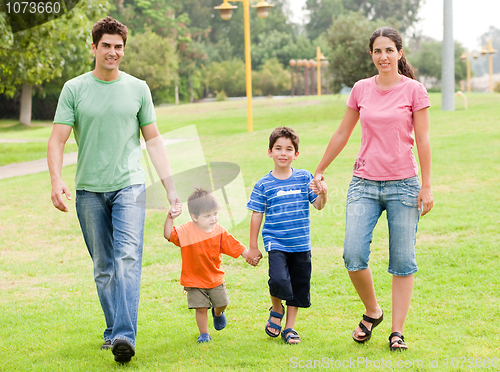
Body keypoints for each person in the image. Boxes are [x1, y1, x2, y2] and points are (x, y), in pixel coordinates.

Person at [47, 16, 180, 363]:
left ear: (124, 49)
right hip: (89, 190)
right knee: (104, 265)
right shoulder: (74, 89)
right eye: (105, 45)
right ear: (94, 48)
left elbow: (154, 141)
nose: (112, 52)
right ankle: (113, 331)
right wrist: (56, 179)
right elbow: (57, 140)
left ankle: (124, 335)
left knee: (127, 258)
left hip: (130, 186)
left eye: (118, 46)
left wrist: (170, 188)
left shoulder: (139, 88)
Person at [313, 27, 434, 351]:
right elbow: (342, 132)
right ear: (371, 55)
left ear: (400, 53)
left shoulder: (414, 91)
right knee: (353, 254)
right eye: (377, 51)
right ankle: (372, 311)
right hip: (364, 183)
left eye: (389, 51)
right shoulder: (361, 89)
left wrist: (426, 186)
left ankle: (397, 331)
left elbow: (422, 140)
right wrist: (321, 167)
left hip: (404, 185)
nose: (383, 57)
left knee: (402, 260)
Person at [246, 127, 328, 344]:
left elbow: (318, 205)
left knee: (298, 287)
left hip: (301, 244)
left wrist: (324, 192)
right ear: (270, 152)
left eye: (289, 149)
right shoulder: (263, 184)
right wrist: (253, 246)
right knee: (279, 280)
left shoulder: (304, 178)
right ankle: (276, 308)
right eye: (278, 148)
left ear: (296, 154)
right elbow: (256, 214)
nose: (283, 153)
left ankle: (290, 328)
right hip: (276, 243)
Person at [164, 188, 259, 343]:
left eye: (215, 214)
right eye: (207, 216)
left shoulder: (219, 231)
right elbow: (168, 234)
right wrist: (170, 218)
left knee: (222, 303)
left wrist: (248, 255)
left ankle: (218, 313)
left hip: (215, 277)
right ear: (194, 217)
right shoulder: (186, 231)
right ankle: (204, 334)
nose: (213, 219)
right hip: (194, 279)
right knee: (200, 309)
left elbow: (235, 245)